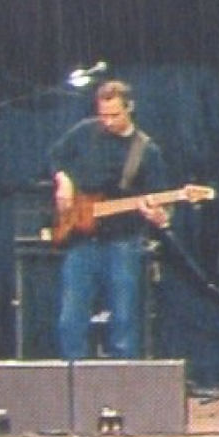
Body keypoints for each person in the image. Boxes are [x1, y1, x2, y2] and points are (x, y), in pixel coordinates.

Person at [48, 79, 170, 360]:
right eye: (103, 114)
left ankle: (121, 389)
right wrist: (63, 181)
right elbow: (56, 156)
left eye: (115, 115)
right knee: (70, 318)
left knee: (124, 320)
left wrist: (159, 215)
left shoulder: (146, 150)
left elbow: (159, 198)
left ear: (130, 108)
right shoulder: (84, 132)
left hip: (123, 242)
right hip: (80, 239)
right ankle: (73, 381)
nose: (108, 121)